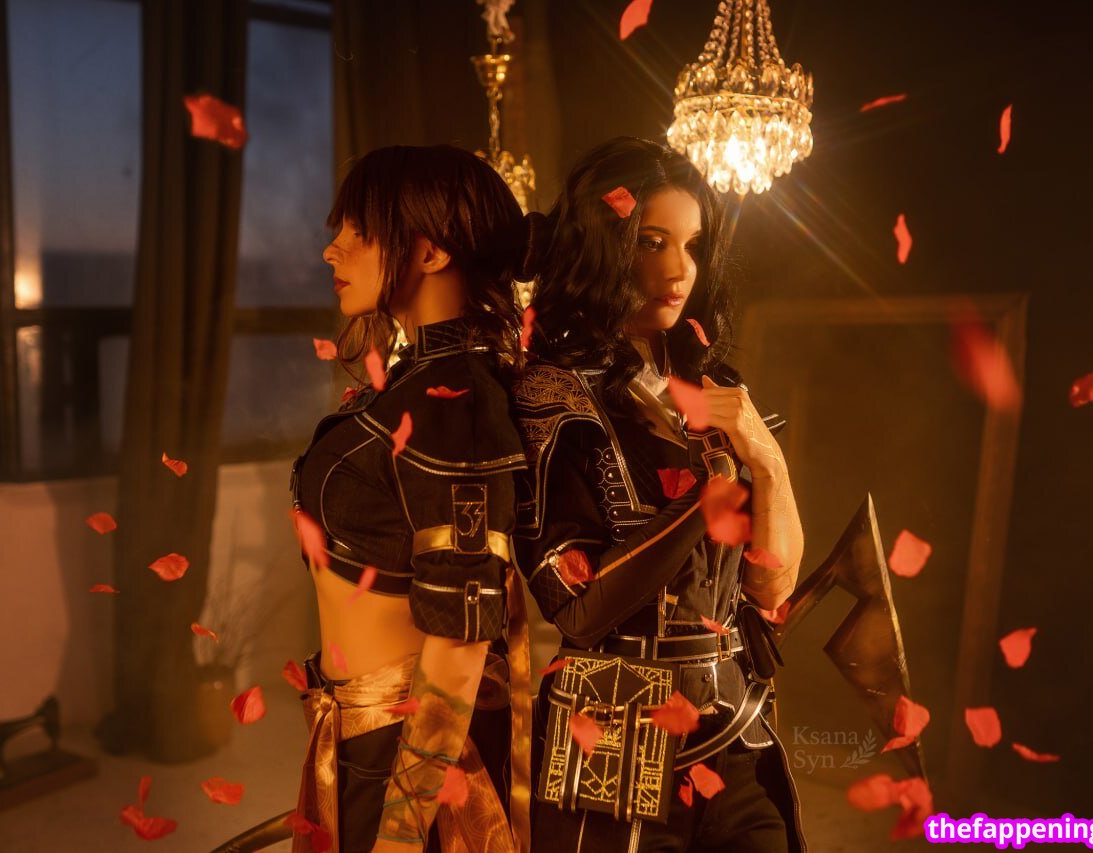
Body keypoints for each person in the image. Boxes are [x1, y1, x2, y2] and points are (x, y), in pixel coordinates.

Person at [511, 137, 807, 852]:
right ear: (602, 245)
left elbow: (771, 588)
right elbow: (576, 608)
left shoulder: (718, 385)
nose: (679, 270)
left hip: (734, 729)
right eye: (652, 242)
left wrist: (768, 463)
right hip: (610, 745)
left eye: (693, 245)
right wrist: (708, 497)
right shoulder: (551, 395)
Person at [288, 145, 531, 853]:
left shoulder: (454, 401)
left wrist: (399, 830)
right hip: (363, 735)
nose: (332, 249)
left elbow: (461, 638)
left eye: (358, 231)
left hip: (413, 753)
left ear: (429, 252)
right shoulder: (417, 380)